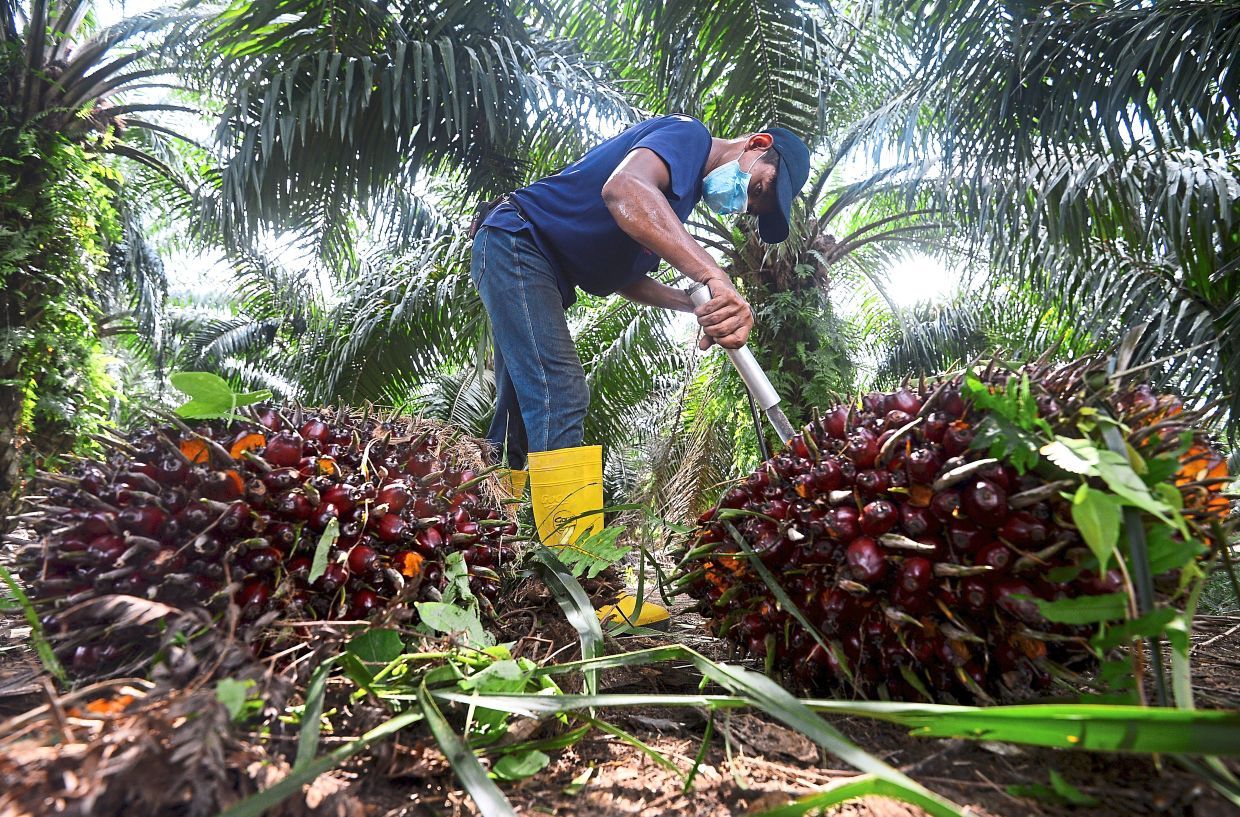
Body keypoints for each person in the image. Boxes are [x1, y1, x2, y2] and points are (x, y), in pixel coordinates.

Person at [469, 114, 811, 626]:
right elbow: (622, 189)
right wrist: (714, 275)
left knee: (519, 415)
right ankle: (574, 585)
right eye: (757, 188)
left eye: (752, 206)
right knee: (560, 391)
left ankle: (489, 551)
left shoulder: (673, 205)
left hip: (528, 257)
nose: (743, 203)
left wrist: (691, 302)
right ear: (756, 145)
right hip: (517, 240)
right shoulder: (688, 137)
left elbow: (621, 279)